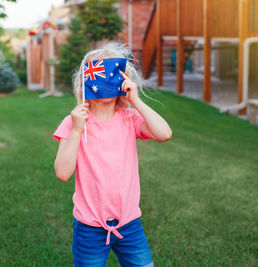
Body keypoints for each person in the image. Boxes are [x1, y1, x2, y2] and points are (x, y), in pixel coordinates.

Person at [53, 42, 172, 267]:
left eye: (113, 73)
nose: (106, 78)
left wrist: (135, 101)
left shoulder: (129, 118)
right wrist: (77, 129)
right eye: (99, 72)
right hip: (89, 227)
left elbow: (164, 133)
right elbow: (62, 173)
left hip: (129, 224)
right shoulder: (73, 123)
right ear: (86, 80)